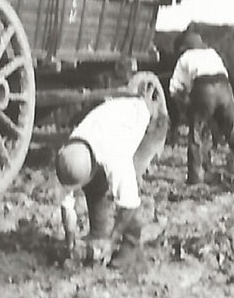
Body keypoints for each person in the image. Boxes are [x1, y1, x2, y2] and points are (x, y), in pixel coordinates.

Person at [53, 88, 167, 271]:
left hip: (151, 121)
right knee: (96, 187)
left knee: (129, 190)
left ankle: (130, 253)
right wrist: (70, 241)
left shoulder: (115, 154)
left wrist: (111, 240)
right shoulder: (70, 155)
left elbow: (129, 204)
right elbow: (67, 204)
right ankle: (99, 234)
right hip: (116, 120)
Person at [168, 29, 234, 186]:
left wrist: (185, 105)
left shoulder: (185, 57)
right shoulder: (212, 53)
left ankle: (196, 178)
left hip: (204, 90)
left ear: (185, 47)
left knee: (196, 134)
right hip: (224, 88)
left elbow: (173, 88)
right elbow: (224, 75)